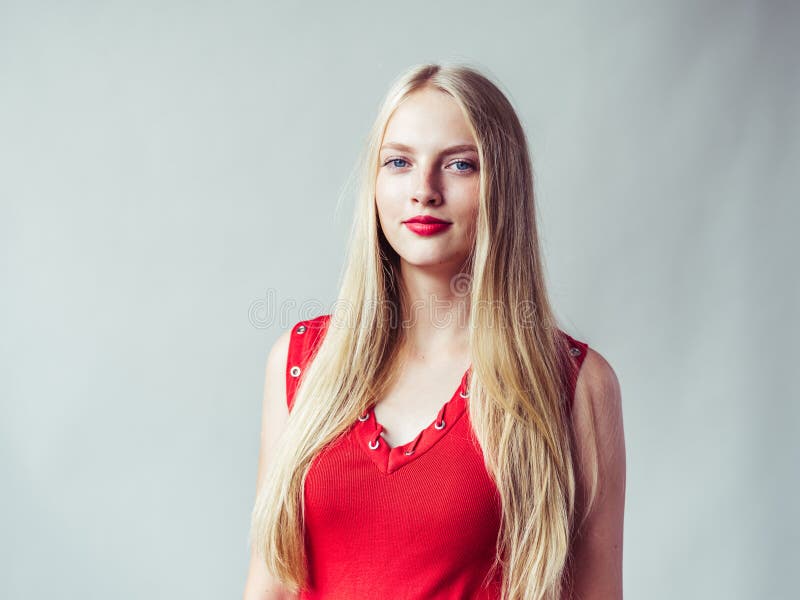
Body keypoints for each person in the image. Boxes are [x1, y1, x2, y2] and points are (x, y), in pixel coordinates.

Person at [242, 62, 625, 600]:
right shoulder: (303, 362)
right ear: (374, 183)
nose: (424, 190)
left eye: (460, 165)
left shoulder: (575, 385)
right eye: (399, 162)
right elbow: (272, 584)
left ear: (503, 185)